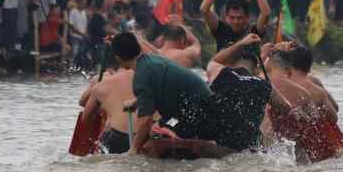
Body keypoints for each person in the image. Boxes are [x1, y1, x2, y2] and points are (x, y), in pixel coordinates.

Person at [110, 32, 269, 153]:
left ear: (118, 58)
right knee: (159, 128)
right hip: (204, 109)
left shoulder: (141, 76)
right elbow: (157, 88)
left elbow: (145, 121)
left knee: (155, 132)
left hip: (196, 114)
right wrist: (136, 102)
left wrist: (133, 151)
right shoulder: (153, 60)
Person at [77, 66, 136, 154]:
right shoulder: (143, 75)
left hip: (113, 131)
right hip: (141, 132)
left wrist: (104, 104)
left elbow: (83, 103)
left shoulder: (101, 79)